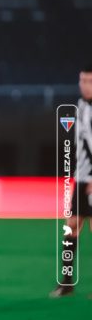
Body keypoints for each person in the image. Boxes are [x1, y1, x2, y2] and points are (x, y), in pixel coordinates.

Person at [52, 64, 92, 297]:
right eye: (81, 80)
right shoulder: (81, 106)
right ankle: (67, 281)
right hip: (82, 177)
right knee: (72, 225)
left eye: (88, 81)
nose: (83, 85)